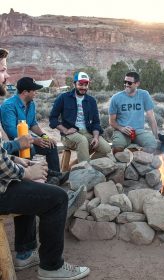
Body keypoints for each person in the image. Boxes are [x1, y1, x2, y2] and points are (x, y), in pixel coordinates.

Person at [0, 48, 89, 279]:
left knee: (42, 166)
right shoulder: (8, 106)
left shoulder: (29, 106)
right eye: (2, 70)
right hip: (9, 164)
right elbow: (12, 137)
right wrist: (23, 171)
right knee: (55, 199)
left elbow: (30, 131)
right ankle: (52, 267)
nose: (6, 76)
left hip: (13, 157)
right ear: (27, 91)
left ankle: (25, 253)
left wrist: (42, 140)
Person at [0, 77, 68, 185]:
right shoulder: (8, 106)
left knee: (50, 145)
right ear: (25, 92)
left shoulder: (31, 104)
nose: (36, 93)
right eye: (34, 90)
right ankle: (28, 181)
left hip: (28, 139)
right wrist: (35, 140)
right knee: (29, 147)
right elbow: (12, 131)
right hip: (12, 144)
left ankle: (55, 178)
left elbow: (33, 124)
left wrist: (44, 136)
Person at [49, 71, 111, 163]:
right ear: (74, 84)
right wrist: (65, 130)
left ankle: (81, 165)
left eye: (86, 85)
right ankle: (85, 171)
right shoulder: (63, 98)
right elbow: (53, 118)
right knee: (82, 141)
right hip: (69, 135)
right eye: (80, 84)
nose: (83, 87)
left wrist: (96, 137)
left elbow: (96, 122)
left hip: (87, 132)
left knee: (106, 149)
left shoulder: (91, 101)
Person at [109, 71, 159, 154]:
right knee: (117, 147)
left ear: (137, 84)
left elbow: (151, 117)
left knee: (152, 145)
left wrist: (156, 137)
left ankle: (137, 159)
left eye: (129, 83)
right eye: (125, 82)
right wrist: (121, 128)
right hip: (122, 131)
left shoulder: (144, 95)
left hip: (139, 131)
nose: (126, 85)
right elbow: (111, 121)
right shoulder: (116, 98)